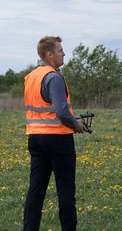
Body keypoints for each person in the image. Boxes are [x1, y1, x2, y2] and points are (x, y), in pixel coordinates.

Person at [23, 36, 87, 231]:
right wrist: (76, 123)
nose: (64, 53)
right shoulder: (54, 77)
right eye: (60, 50)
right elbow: (60, 111)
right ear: (49, 54)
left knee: (36, 191)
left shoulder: (31, 77)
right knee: (66, 192)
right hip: (58, 140)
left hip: (35, 139)